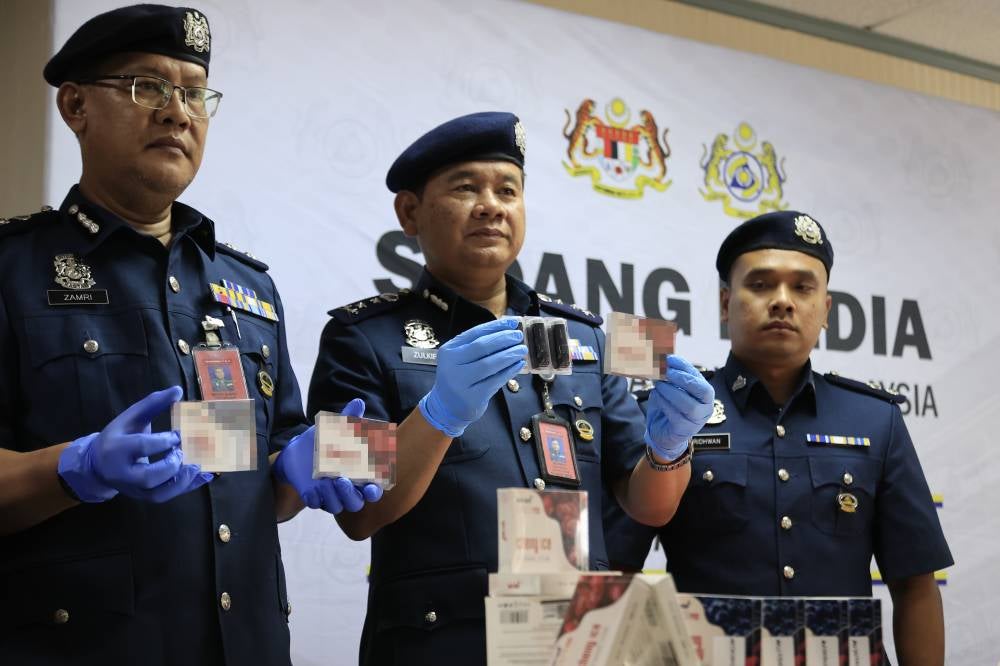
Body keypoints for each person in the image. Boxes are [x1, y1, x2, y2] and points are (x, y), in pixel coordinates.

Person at [0, 6, 379, 664]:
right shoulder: (14, 270)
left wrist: (299, 468)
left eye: (195, 92)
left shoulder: (249, 290)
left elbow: (267, 485)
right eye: (147, 86)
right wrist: (76, 467)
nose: (178, 112)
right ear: (75, 106)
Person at [307, 111, 715, 665]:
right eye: (466, 187)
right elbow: (357, 516)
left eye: (508, 190)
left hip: (579, 644)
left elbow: (647, 506)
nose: (491, 205)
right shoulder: (362, 337)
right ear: (410, 212)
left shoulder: (585, 337)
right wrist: (438, 415)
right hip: (442, 647)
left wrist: (670, 451)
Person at [604, 210, 953, 665]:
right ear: (726, 303)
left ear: (826, 310)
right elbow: (617, 572)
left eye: (803, 287)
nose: (783, 301)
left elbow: (916, 584)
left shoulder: (875, 420)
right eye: (762, 284)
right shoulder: (669, 414)